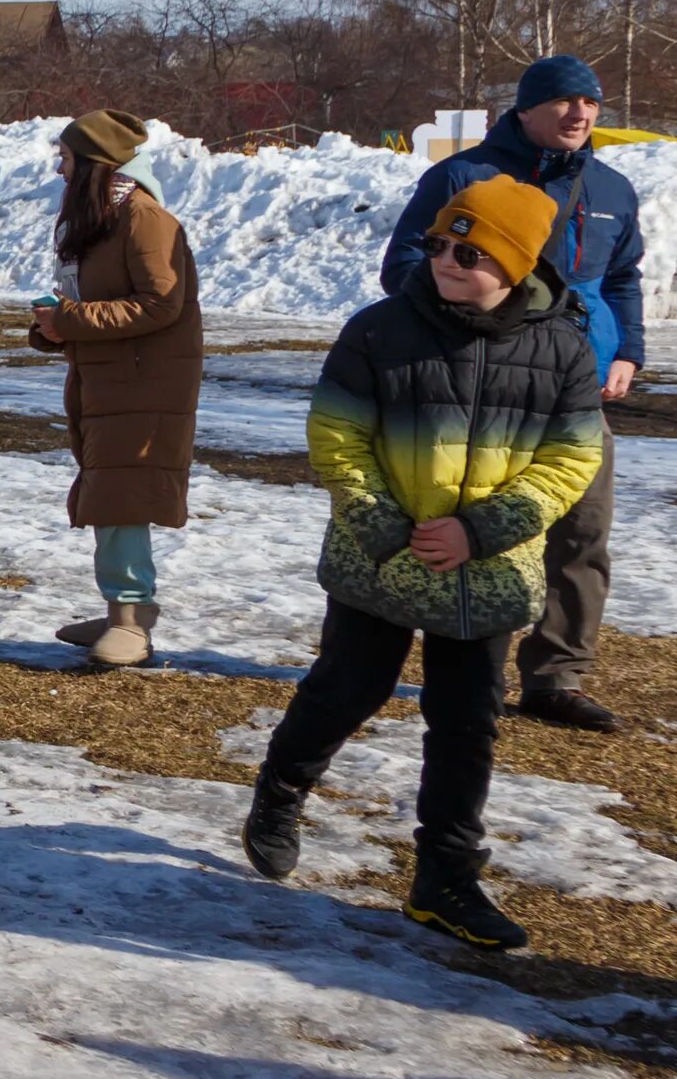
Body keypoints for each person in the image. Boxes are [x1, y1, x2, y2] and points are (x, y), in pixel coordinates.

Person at [244, 174, 606, 950]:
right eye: (441, 242)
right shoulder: (378, 331)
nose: (446, 258)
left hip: (490, 567)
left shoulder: (565, 350)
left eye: (470, 250)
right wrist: (385, 528)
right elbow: (337, 436)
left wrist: (481, 531)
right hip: (382, 555)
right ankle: (280, 789)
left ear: (515, 263)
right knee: (348, 688)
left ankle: (445, 879)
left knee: (466, 721)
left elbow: (571, 461)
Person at [380, 54, 644, 734]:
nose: (579, 114)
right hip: (486, 384)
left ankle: (558, 674)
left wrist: (628, 352)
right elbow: (407, 266)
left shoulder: (611, 188)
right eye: (562, 101)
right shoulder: (465, 177)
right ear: (525, 109)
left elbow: (622, 279)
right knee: (485, 528)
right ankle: (472, 669)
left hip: (579, 385)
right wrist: (479, 332)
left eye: (590, 102)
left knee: (583, 530)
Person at [31, 110, 203, 670]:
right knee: (109, 495)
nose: (60, 168)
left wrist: (74, 320)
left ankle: (132, 620)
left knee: (124, 499)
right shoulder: (102, 219)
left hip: (143, 385)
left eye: (68, 158)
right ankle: (118, 614)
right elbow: (96, 298)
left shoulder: (145, 219)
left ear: (95, 166)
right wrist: (54, 325)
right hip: (109, 381)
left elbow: (162, 303)